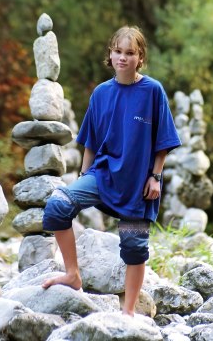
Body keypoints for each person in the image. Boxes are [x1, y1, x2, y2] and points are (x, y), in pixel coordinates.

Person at [41, 25, 181, 316]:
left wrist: (155, 177)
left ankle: (127, 313)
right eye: (118, 51)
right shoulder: (101, 93)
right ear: (111, 53)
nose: (122, 58)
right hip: (102, 176)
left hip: (138, 185)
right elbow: (90, 142)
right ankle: (72, 274)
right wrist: (83, 180)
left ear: (140, 57)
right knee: (58, 205)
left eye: (129, 53)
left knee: (133, 246)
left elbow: (163, 142)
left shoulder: (153, 91)